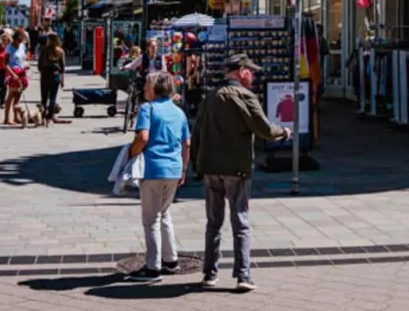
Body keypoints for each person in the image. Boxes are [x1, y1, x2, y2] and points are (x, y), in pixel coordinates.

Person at [192, 54, 290, 292]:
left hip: (211, 167)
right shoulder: (246, 97)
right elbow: (264, 128)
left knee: (213, 222)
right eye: (251, 72)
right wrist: (283, 132)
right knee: (241, 221)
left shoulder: (210, 98)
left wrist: (197, 164)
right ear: (242, 71)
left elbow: (197, 133)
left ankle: (209, 273)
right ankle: (243, 275)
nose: (253, 77)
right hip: (236, 167)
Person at [121, 72, 192, 284]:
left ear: (154, 88)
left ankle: (153, 267)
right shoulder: (179, 113)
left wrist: (131, 153)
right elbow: (187, 143)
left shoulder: (148, 109)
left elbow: (143, 137)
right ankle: (171, 260)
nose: (143, 89)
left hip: (153, 168)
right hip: (173, 168)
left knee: (151, 219)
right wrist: (184, 168)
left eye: (146, 85)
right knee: (165, 213)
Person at [3, 28, 29, 125]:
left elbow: (23, 58)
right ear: (17, 39)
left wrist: (26, 64)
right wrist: (12, 74)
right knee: (11, 95)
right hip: (12, 72)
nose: (21, 41)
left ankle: (15, 117)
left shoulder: (22, 46)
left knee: (18, 95)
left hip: (21, 72)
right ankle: (6, 118)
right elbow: (4, 63)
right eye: (21, 39)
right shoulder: (10, 48)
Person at [38, 36, 66, 121]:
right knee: (53, 97)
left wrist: (41, 71)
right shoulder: (60, 51)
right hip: (55, 75)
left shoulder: (44, 50)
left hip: (45, 75)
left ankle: (42, 116)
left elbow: (39, 65)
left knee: (44, 98)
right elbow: (62, 67)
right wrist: (62, 80)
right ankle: (50, 116)